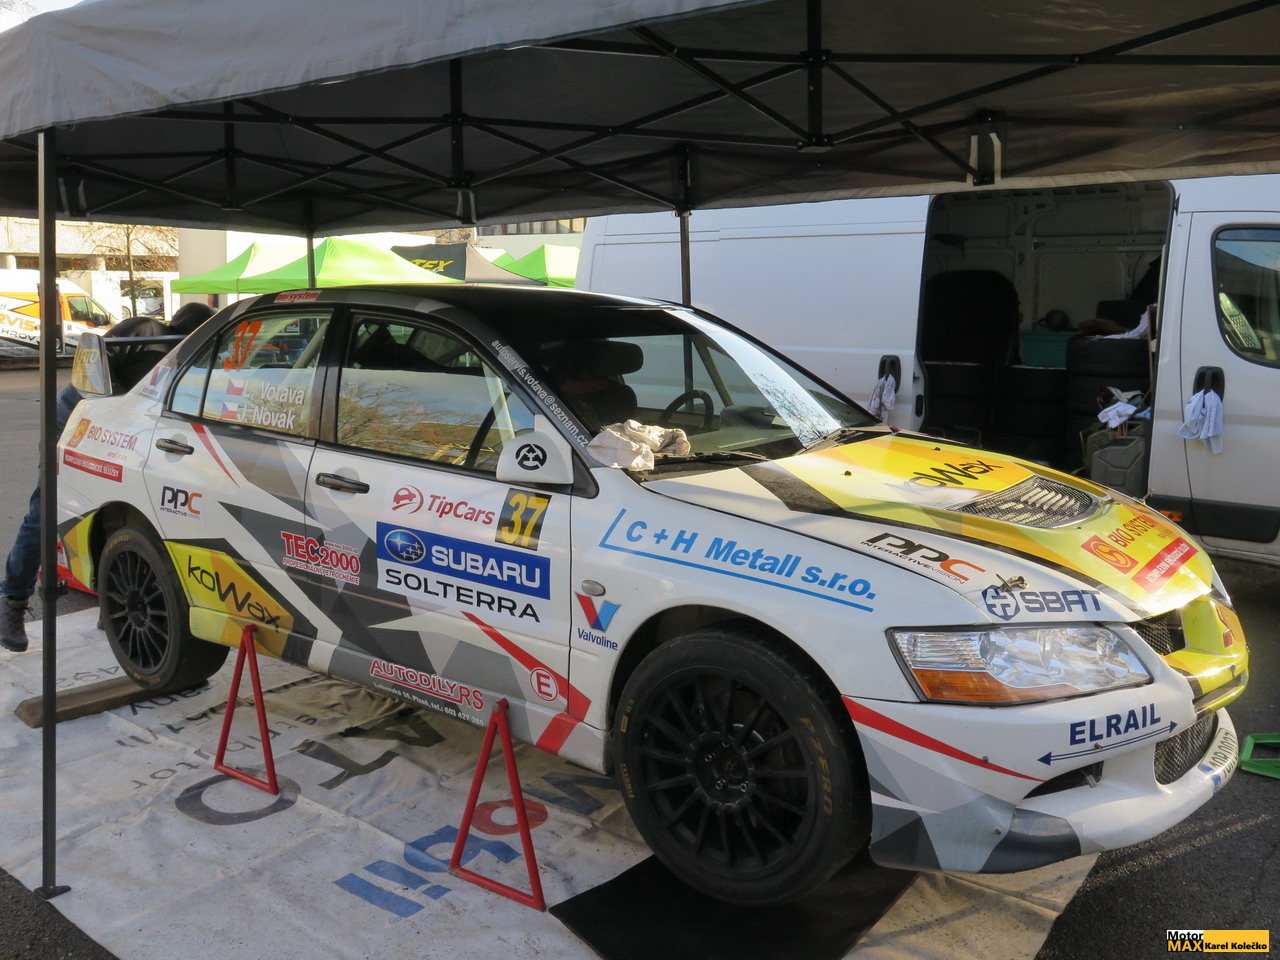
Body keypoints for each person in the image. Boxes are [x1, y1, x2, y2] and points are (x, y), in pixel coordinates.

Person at [0, 302, 216, 652]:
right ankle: (12, 600)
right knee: (46, 512)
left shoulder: (193, 360)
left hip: (122, 433)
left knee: (121, 515)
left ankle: (112, 602)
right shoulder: (145, 331)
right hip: (74, 422)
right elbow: (90, 375)